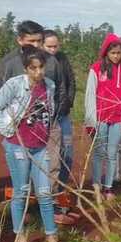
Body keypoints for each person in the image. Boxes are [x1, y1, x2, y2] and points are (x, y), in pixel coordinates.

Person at [0, 46, 66, 242]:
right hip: (18, 145)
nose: (38, 72)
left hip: (41, 146)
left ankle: (52, 238)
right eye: (34, 68)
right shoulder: (14, 85)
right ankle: (20, 236)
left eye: (41, 67)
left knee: (44, 192)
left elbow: (48, 112)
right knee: (21, 191)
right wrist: (6, 128)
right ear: (26, 68)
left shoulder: (49, 85)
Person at [83, 34, 121, 200]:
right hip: (100, 117)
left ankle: (108, 187)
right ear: (106, 52)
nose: (116, 56)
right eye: (113, 53)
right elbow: (90, 94)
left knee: (112, 153)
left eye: (119, 53)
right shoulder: (96, 68)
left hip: (118, 118)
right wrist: (90, 121)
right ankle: (97, 184)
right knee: (99, 152)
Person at [42, 30, 78, 213]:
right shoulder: (38, 62)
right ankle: (49, 196)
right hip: (45, 118)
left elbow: (70, 83)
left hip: (63, 115)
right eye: (49, 46)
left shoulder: (62, 59)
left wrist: (67, 104)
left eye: (56, 46)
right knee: (50, 157)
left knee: (67, 152)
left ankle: (61, 191)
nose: (53, 49)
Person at [0, 20, 44, 93]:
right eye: (32, 41)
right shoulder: (9, 62)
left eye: (39, 41)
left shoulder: (51, 61)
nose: (36, 45)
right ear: (20, 40)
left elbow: (60, 90)